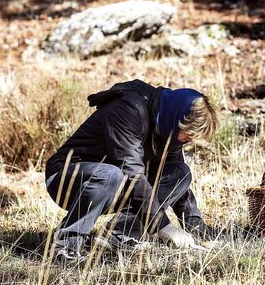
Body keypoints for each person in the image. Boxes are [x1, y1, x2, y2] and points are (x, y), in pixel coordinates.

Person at [45, 79, 219, 264]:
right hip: (66, 177)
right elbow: (132, 173)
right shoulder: (129, 110)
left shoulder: (169, 129)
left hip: (114, 182)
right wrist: (163, 226)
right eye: (189, 134)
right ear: (177, 118)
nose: (189, 140)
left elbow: (174, 182)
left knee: (180, 172)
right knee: (110, 174)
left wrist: (196, 227)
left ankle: (121, 235)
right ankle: (64, 247)